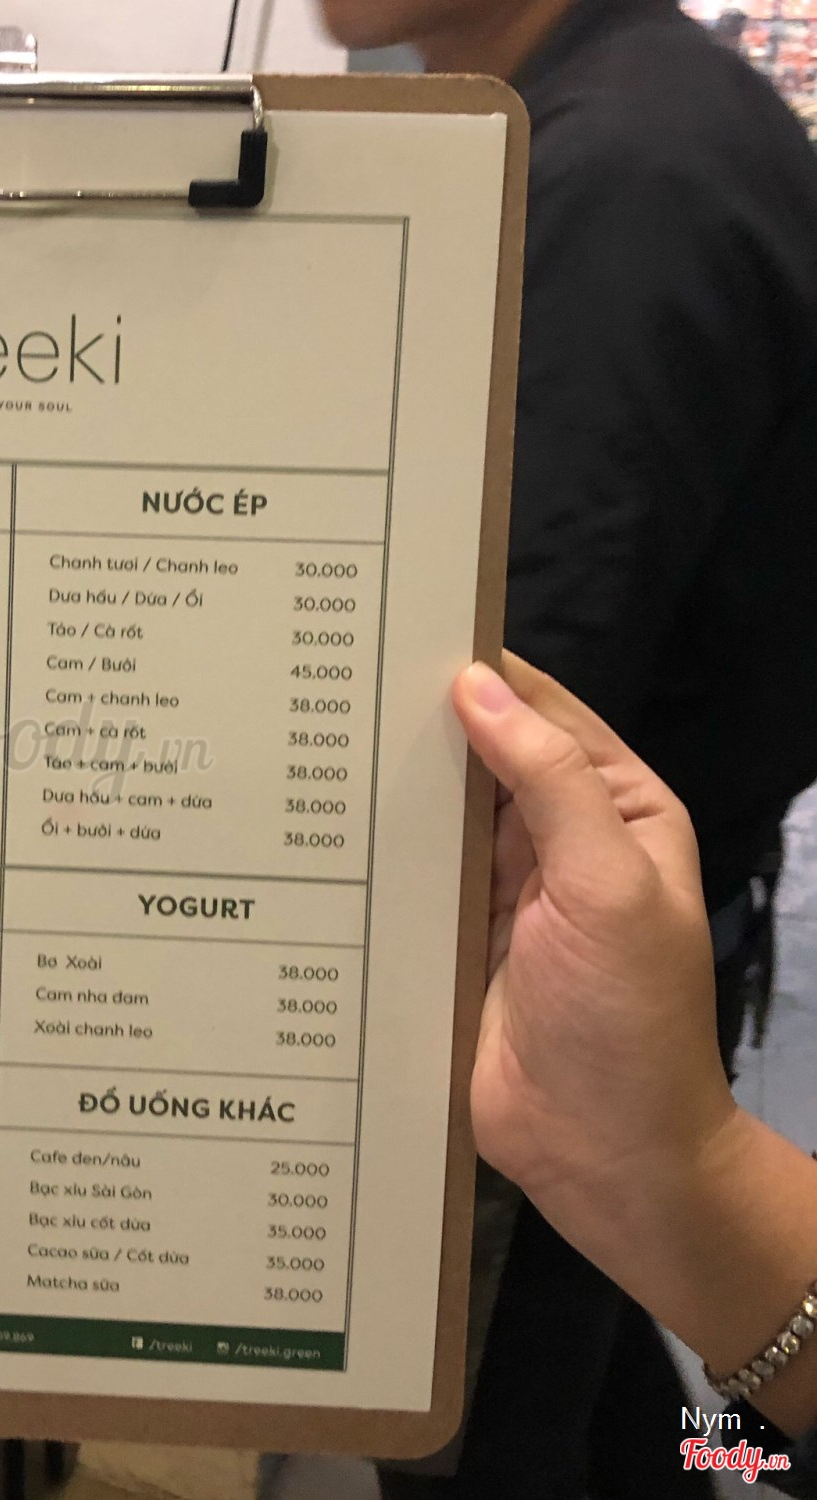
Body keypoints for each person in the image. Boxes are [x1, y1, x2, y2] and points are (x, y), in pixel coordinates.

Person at [309, 1, 817, 1492]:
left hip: (540, 960)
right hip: (594, 961)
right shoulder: (606, 118)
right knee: (589, 1383)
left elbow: (496, 683)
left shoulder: (626, 169)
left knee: (491, 1435)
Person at [451, 654, 817, 1488]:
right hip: (615, 968)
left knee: (510, 1412)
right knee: (601, 1352)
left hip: (571, 961)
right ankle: (712, 1458)